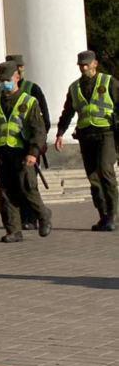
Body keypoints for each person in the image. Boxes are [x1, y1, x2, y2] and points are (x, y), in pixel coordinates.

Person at [0, 61, 52, 243]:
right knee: (5, 192)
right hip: (2, 153)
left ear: (17, 77)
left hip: (22, 153)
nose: (4, 83)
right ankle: (13, 230)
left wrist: (33, 152)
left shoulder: (28, 101)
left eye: (7, 79)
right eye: (1, 80)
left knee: (27, 188)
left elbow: (39, 130)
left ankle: (43, 214)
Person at [55, 50, 119, 231]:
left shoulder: (109, 82)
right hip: (86, 136)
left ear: (95, 64)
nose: (83, 68)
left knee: (105, 171)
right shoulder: (74, 87)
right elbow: (68, 112)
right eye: (81, 65)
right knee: (93, 178)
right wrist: (60, 133)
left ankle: (113, 215)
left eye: (86, 64)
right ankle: (103, 215)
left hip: (106, 133)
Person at [6, 54, 51, 229]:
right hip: (10, 146)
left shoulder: (32, 89)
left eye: (18, 67)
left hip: (28, 146)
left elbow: (44, 120)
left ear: (21, 69)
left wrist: (36, 145)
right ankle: (20, 220)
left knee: (28, 183)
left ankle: (31, 217)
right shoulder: (1, 93)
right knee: (15, 185)